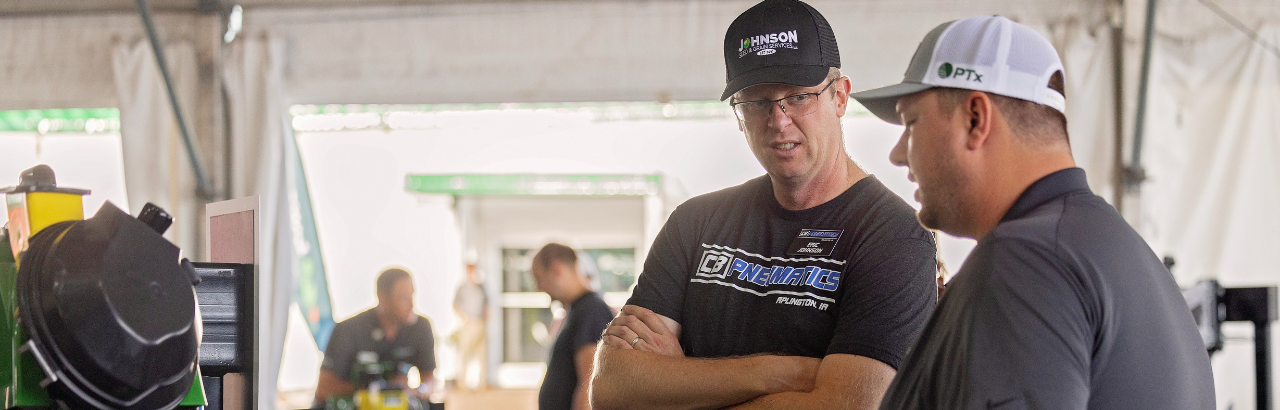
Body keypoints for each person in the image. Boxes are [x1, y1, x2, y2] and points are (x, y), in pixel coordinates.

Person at [850, 15, 1215, 409]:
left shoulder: (1026, 261)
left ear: (975, 119)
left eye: (911, 123)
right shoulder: (1113, 251)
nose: (897, 153)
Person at [589, 1, 939, 409]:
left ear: (840, 97)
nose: (779, 120)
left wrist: (679, 383)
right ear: (738, 115)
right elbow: (611, 388)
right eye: (757, 102)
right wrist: (781, 373)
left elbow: (850, 404)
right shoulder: (695, 223)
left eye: (799, 96)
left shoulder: (894, 236)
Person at [315, 268, 437, 404]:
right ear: (382, 297)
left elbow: (429, 381)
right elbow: (323, 388)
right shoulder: (349, 330)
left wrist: (418, 390)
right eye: (404, 297)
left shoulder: (421, 327)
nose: (412, 304)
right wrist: (377, 390)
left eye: (412, 295)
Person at [530, 243, 613, 410]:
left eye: (539, 279)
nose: (539, 288)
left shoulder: (591, 310)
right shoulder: (577, 310)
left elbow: (590, 383)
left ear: (556, 269)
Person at [452, 263, 488, 390]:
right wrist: (464, 318)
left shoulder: (481, 287)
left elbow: (487, 305)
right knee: (464, 354)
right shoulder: (462, 288)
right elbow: (455, 305)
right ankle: (462, 384)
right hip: (468, 325)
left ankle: (482, 384)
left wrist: (485, 320)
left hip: (480, 323)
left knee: (482, 355)